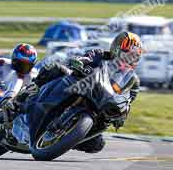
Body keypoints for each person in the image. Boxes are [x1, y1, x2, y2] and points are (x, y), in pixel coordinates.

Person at [15, 31, 144, 153]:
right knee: (54, 69)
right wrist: (80, 63)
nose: (129, 59)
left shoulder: (133, 80)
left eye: (134, 56)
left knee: (97, 145)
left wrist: (121, 115)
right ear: (116, 49)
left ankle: (61, 140)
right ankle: (22, 97)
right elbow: (86, 58)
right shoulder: (100, 54)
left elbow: (128, 100)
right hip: (79, 85)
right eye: (127, 54)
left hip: (101, 104)